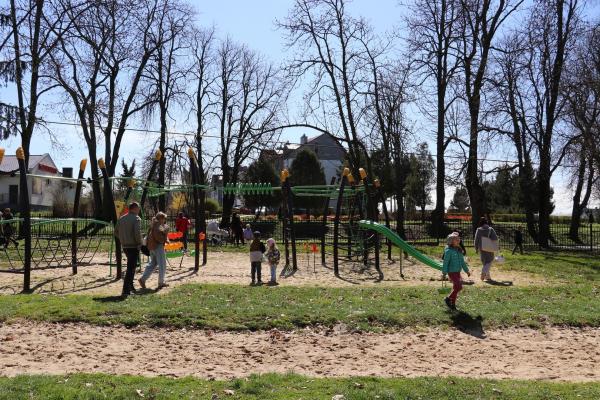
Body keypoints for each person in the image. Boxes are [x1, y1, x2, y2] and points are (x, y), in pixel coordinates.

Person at [114, 202, 143, 297]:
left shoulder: (121, 218)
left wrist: (123, 239)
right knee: (131, 268)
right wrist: (140, 243)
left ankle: (130, 287)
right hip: (133, 246)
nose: (139, 210)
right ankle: (125, 290)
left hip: (125, 246)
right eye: (138, 208)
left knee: (132, 267)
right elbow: (137, 233)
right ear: (134, 208)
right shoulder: (136, 218)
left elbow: (116, 232)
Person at [139, 212, 169, 290]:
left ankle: (143, 279)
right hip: (158, 247)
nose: (165, 220)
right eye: (164, 218)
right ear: (161, 218)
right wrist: (165, 239)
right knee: (162, 265)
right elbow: (158, 237)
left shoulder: (153, 224)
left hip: (151, 247)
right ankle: (161, 283)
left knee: (153, 264)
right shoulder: (158, 225)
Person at [442, 232, 471, 310]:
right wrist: (444, 272)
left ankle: (453, 305)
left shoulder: (459, 250)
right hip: (451, 272)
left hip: (457, 272)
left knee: (455, 288)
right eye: (456, 239)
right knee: (459, 287)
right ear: (451, 241)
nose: (458, 240)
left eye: (458, 239)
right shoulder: (448, 251)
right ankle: (448, 298)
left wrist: (467, 271)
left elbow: (462, 262)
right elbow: (445, 262)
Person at [474, 217, 498, 281]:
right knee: (490, 260)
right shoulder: (490, 229)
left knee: (484, 261)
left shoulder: (478, 230)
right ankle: (484, 272)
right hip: (489, 247)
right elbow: (495, 238)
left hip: (481, 248)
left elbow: (476, 240)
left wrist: (476, 248)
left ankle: (487, 276)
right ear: (486, 222)